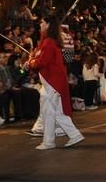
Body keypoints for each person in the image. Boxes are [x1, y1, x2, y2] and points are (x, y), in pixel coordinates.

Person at [28, 15, 84, 150]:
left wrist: (31, 61)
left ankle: (49, 142)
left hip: (52, 82)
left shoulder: (48, 42)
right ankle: (74, 134)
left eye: (42, 22)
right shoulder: (49, 42)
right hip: (52, 82)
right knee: (56, 112)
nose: (40, 24)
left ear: (47, 25)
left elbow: (41, 62)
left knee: (49, 111)